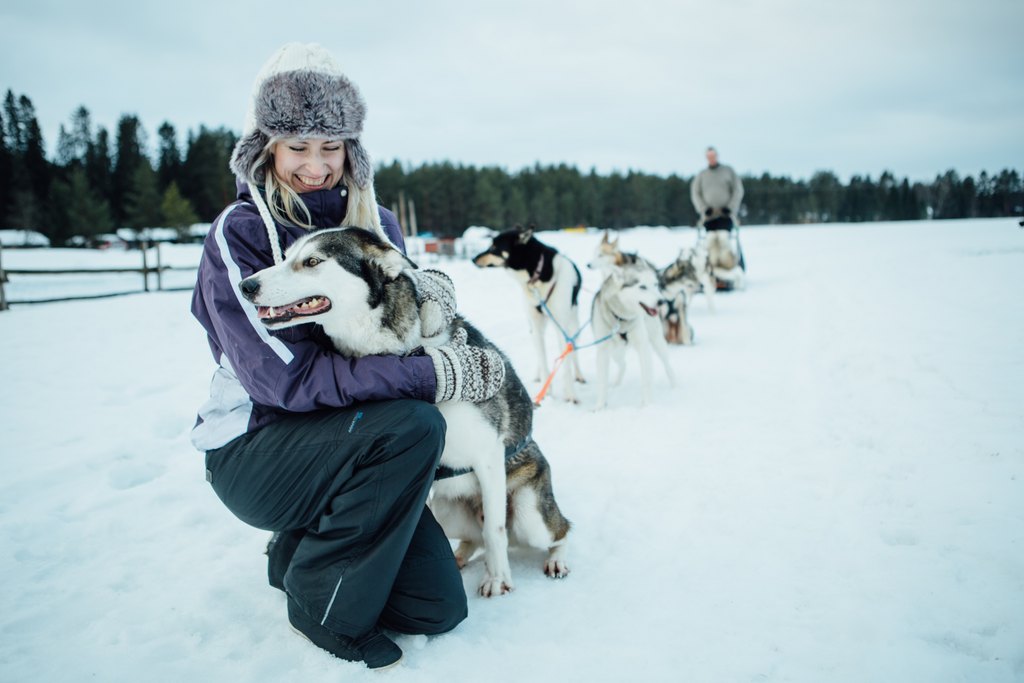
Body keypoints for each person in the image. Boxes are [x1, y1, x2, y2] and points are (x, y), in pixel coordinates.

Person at [190, 43, 506, 670]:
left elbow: (402, 326)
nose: (315, 165)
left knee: (436, 608)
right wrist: (429, 375)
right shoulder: (242, 232)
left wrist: (433, 309)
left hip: (358, 448)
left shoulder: (377, 223)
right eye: (297, 146)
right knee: (415, 422)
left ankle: (298, 551)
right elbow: (286, 379)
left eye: (330, 146)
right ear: (266, 148)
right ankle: (321, 605)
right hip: (260, 448)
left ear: (350, 150)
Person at [690, 145, 746, 273]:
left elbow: (738, 190)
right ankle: (712, 268)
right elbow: (695, 193)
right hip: (709, 217)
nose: (711, 158)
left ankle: (728, 267)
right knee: (710, 240)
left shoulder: (728, 171)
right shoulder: (702, 175)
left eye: (713, 156)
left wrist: (730, 207)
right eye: (709, 156)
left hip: (725, 216)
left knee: (723, 238)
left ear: (717, 156)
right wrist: (704, 208)